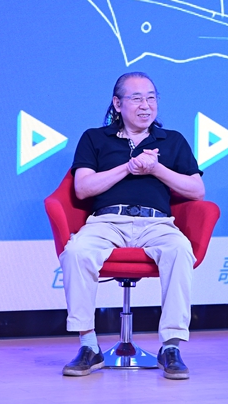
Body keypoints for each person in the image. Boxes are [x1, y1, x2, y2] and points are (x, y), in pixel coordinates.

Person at [59, 72, 204, 380]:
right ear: (117, 103)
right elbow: (82, 188)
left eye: (151, 98)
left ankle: (171, 347)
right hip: (107, 221)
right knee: (76, 252)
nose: (145, 105)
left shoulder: (172, 140)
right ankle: (89, 346)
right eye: (136, 98)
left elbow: (196, 190)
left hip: (157, 223)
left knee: (180, 249)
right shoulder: (95, 138)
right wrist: (128, 166)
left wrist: (156, 168)